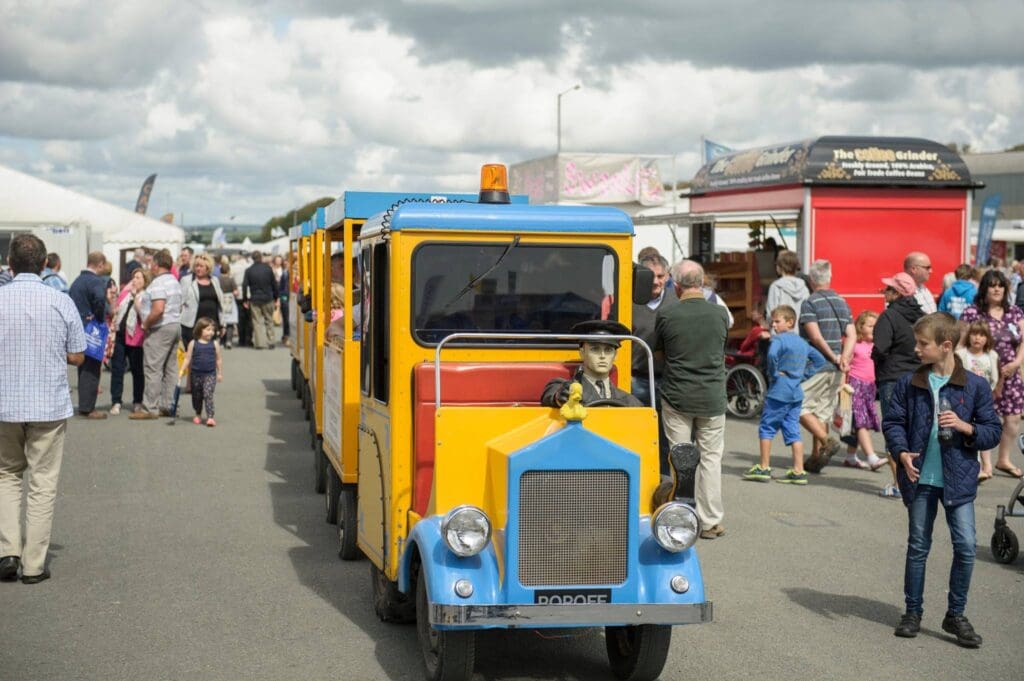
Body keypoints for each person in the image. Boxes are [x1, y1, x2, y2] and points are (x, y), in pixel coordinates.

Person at [886, 312, 1001, 647]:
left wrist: (967, 428)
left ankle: (955, 614)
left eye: (923, 344)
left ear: (946, 345)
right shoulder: (911, 382)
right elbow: (893, 421)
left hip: (959, 480)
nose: (917, 349)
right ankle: (912, 612)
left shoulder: (974, 385)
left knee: (965, 547)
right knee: (918, 546)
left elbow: (992, 431)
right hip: (920, 478)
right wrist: (901, 451)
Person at [0, 233, 86, 584]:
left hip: (5, 402)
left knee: (6, 476)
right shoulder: (60, 301)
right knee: (42, 483)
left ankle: (8, 550)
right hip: (47, 403)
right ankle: (34, 563)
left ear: (10, 263)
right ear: (44, 264)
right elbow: (78, 355)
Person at [656, 259, 728, 539]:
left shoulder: (668, 314)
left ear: (676, 286)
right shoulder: (720, 313)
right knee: (711, 459)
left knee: (680, 457)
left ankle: (680, 515)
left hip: (677, 395)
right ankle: (710, 520)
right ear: (702, 284)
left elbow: (660, 354)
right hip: (712, 396)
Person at [744, 304, 827, 485]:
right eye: (772, 321)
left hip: (779, 391)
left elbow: (772, 355)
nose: (773, 325)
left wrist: (773, 373)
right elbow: (820, 360)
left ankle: (764, 467)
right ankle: (798, 470)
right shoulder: (802, 342)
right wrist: (803, 375)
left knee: (767, 428)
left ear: (790, 322)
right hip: (796, 392)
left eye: (777, 321)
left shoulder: (778, 340)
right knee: (793, 430)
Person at [959, 269, 1024, 478]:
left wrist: (1016, 363)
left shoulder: (1014, 312)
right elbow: (961, 342)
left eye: (1000, 286)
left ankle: (1003, 459)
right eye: (992, 285)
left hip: (1010, 374)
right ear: (984, 288)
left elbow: (1023, 340)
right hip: (981, 375)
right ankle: (983, 465)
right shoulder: (972, 312)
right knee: (984, 418)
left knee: (1013, 419)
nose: (997, 289)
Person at [873, 272, 926, 498]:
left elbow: (881, 348)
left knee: (895, 429)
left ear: (896, 293)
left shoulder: (889, 316)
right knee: (916, 429)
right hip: (920, 377)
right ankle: (919, 479)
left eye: (888, 289)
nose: (885, 293)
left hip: (893, 377)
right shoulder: (922, 316)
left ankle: (898, 484)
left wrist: (875, 358)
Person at [799, 259, 855, 472]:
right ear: (829, 277)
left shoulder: (810, 303)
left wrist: (833, 356)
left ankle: (825, 440)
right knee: (821, 412)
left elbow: (815, 337)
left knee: (798, 406)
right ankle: (815, 457)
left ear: (811, 279)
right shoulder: (841, 301)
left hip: (817, 365)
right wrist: (844, 358)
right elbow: (851, 334)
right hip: (836, 367)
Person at [130, 250, 182, 421]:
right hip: (174, 324)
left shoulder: (159, 283)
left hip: (160, 327)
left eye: (152, 262)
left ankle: (149, 408)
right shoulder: (174, 281)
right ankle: (169, 405)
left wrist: (146, 323)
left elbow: (158, 308)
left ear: (157, 265)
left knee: (153, 368)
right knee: (170, 368)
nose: (150, 265)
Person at [540, 320, 642, 408]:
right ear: (582, 353)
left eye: (608, 350)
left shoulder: (631, 402)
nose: (602, 356)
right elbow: (552, 394)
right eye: (595, 349)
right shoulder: (567, 389)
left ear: (615, 355)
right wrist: (559, 397)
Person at [841, 311, 887, 471]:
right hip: (855, 386)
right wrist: (842, 387)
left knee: (858, 422)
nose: (874, 329)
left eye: (876, 326)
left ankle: (850, 456)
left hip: (870, 387)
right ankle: (871, 457)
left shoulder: (875, 345)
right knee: (861, 423)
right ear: (860, 327)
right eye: (870, 326)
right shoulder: (854, 345)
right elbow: (844, 365)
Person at [68, 251, 110, 420]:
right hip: (91, 328)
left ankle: (84, 404)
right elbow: (100, 300)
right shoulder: (96, 281)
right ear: (99, 264)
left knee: (82, 366)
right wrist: (99, 316)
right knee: (92, 368)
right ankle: (88, 407)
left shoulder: (77, 281)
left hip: (78, 327)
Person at [631, 252, 677, 406]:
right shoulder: (629, 301)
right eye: (651, 276)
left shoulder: (676, 301)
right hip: (636, 379)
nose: (656, 281)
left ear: (668, 276)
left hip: (669, 380)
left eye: (660, 276)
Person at [956, 320, 1000, 481]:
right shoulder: (961, 354)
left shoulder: (992, 355)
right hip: (965, 398)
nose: (977, 338)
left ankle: (987, 466)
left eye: (982, 335)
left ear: (987, 338)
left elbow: (996, 377)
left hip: (985, 398)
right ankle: (977, 467)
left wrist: (994, 391)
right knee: (972, 430)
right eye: (974, 334)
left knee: (986, 430)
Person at [109, 268, 150, 415]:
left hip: (136, 336)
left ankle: (137, 401)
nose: (135, 280)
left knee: (137, 371)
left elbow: (145, 316)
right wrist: (114, 299)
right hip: (121, 333)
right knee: (117, 369)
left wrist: (135, 298)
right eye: (134, 277)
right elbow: (115, 310)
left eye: (139, 278)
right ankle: (116, 401)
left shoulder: (146, 296)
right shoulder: (125, 294)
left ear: (145, 281)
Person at [180, 317, 223, 427]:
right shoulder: (193, 343)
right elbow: (187, 358)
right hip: (196, 374)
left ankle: (210, 417)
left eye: (212, 330)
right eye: (208, 329)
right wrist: (182, 370)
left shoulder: (215, 344)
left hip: (210, 374)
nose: (211, 332)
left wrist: (220, 373)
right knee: (197, 396)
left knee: (208, 394)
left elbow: (218, 359)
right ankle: (198, 413)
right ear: (200, 329)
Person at [179, 253, 224, 348]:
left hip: (211, 326)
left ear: (208, 267)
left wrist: (222, 324)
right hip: (192, 326)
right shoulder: (186, 280)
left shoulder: (215, 280)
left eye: (201, 266)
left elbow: (220, 304)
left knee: (210, 356)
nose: (198, 269)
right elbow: (180, 303)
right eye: (196, 266)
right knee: (193, 356)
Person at [242, 251, 280, 349]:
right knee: (269, 320)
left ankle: (259, 343)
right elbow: (274, 284)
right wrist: (276, 297)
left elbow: (244, 285)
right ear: (261, 258)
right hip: (268, 298)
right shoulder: (268, 269)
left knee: (257, 322)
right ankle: (271, 341)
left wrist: (245, 299)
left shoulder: (249, 270)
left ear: (252, 258)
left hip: (255, 299)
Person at [765, 250, 809, 321]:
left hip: (781, 331)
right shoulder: (804, 287)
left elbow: (771, 315)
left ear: (780, 267)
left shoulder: (776, 287)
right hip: (800, 330)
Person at [217, 256, 239, 349]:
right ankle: (229, 341)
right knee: (230, 322)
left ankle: (221, 341)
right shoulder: (231, 279)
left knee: (221, 321)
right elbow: (236, 292)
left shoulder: (217, 279)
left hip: (220, 299)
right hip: (230, 300)